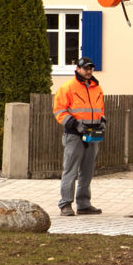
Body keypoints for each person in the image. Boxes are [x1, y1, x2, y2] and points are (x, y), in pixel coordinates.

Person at [53, 56, 105, 216]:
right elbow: (59, 110)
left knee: (87, 171)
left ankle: (83, 204)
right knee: (70, 170)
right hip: (74, 135)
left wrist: (102, 121)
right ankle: (65, 204)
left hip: (92, 134)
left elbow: (100, 109)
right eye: (85, 68)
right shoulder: (68, 87)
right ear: (78, 69)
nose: (88, 71)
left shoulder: (97, 88)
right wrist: (75, 124)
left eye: (90, 68)